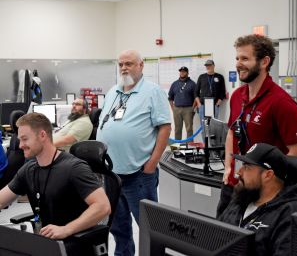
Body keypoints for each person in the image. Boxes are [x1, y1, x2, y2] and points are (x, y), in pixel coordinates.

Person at [217, 34, 297, 218]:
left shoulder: (281, 102)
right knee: (220, 239)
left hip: (263, 193)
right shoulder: (237, 96)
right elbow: (231, 133)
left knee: (254, 245)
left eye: (245, 58)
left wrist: (267, 181)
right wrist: (228, 166)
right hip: (235, 184)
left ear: (264, 62)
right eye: (237, 58)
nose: (238, 64)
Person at [0, 113, 111, 256]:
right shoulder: (28, 170)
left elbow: (103, 206)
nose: (20, 145)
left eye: (25, 139)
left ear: (42, 135)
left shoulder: (74, 168)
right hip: (47, 240)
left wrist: (66, 229)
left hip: (76, 241)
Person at [97, 49, 171, 256]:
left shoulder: (153, 91)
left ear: (141, 66)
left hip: (138, 173)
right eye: (120, 64)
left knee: (150, 228)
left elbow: (165, 128)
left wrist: (152, 163)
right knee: (118, 227)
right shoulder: (114, 91)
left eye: (128, 64)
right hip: (110, 173)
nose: (123, 68)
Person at [218, 143, 297, 256]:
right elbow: (213, 240)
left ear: (267, 175)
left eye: (246, 167)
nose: (238, 172)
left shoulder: (289, 211)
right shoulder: (241, 198)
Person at [194, 60, 226, 141]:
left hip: (214, 105)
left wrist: (217, 104)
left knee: (213, 127)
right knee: (204, 127)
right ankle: (205, 146)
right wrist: (199, 104)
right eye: (207, 65)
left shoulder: (220, 77)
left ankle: (213, 147)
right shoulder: (202, 77)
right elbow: (196, 92)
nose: (208, 67)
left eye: (210, 65)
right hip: (203, 106)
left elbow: (222, 92)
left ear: (214, 65)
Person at [168, 66, 197, 142]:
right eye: (181, 71)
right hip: (177, 109)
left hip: (188, 109)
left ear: (187, 73)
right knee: (177, 128)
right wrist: (173, 108)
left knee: (189, 128)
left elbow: (196, 97)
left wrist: (192, 109)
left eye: (184, 71)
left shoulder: (192, 84)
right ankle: (177, 146)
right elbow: (170, 96)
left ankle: (190, 146)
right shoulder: (174, 84)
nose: (182, 73)